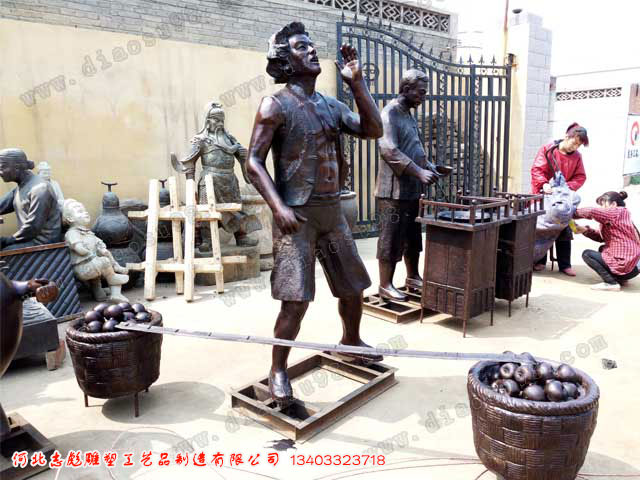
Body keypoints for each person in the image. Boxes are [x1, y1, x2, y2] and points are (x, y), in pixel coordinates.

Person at [246, 22, 383, 406]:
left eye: (311, 45)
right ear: (285, 60)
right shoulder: (275, 105)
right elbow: (253, 162)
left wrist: (357, 83)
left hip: (332, 212)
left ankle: (351, 341)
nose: (311, 50)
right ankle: (278, 368)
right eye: (300, 47)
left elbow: (373, 129)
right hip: (298, 218)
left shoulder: (330, 105)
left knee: (353, 287)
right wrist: (278, 207)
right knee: (296, 301)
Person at [375, 69, 438, 301]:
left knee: (413, 236)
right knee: (390, 238)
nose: (424, 97)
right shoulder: (389, 113)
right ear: (407, 89)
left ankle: (412, 276)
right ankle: (385, 284)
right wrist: (419, 171)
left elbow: (413, 147)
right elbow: (388, 150)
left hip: (411, 189)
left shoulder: (408, 115)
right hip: (392, 192)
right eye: (421, 92)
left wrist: (431, 167)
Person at [172, 102, 261, 249]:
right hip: (209, 181)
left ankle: (241, 237)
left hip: (230, 180)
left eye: (221, 120)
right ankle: (207, 241)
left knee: (235, 209)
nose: (219, 123)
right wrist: (190, 185)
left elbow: (242, 158)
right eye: (216, 119)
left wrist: (243, 156)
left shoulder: (230, 139)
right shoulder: (201, 140)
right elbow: (189, 162)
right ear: (207, 121)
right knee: (207, 210)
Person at [531, 123, 589, 276]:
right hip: (544, 195)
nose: (575, 147)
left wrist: (566, 188)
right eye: (574, 143)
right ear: (566, 136)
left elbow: (580, 176)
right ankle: (540, 260)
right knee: (541, 228)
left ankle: (565, 264)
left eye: (578, 145)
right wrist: (544, 184)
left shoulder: (577, 156)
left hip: (562, 199)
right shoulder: (548, 150)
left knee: (565, 228)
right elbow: (537, 170)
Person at [573, 191, 640, 291]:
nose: (601, 208)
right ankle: (621, 279)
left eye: (603, 204)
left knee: (587, 254)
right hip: (633, 267)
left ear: (613, 204)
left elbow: (592, 211)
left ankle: (611, 283)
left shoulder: (618, 211)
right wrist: (585, 230)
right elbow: (601, 238)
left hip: (627, 265)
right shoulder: (620, 218)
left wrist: (570, 213)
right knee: (603, 249)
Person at [0, 148, 61, 250]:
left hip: (42, 244)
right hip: (28, 239)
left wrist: (6, 240)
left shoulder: (40, 189)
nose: (0, 172)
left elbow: (33, 227)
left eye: (2, 167)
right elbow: (2, 205)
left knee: (5, 252)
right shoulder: (20, 187)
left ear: (16, 167)